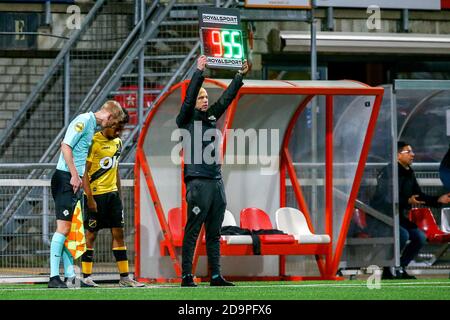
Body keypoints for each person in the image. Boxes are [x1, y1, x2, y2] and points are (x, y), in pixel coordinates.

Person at [176, 55, 249, 287]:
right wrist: (199, 73)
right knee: (193, 230)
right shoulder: (186, 118)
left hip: (216, 182)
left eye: (207, 97)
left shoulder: (210, 117)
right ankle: (187, 276)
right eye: (201, 97)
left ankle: (215, 275)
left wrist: (239, 77)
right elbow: (188, 99)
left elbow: (226, 99)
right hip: (198, 183)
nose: (206, 100)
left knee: (214, 232)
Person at [48, 101, 124, 288]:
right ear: (109, 116)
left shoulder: (90, 124)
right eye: (113, 123)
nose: (111, 127)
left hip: (73, 179)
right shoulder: (83, 120)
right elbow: (65, 146)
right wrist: (74, 174)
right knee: (63, 228)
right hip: (66, 177)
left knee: (69, 231)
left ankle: (71, 276)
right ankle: (53, 277)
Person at [80, 109, 144, 288]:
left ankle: (125, 277)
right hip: (95, 195)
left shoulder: (118, 142)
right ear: (109, 123)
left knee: (119, 233)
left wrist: (119, 193)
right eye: (117, 128)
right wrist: (90, 198)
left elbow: (115, 169)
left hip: (112, 195)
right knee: (91, 235)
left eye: (121, 129)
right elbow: (84, 172)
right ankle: (86, 277)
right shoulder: (93, 142)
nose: (118, 133)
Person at [370, 141, 450, 280]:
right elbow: (385, 198)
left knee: (419, 237)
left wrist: (438, 199)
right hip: (382, 217)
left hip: (398, 217)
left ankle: (400, 266)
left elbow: (418, 196)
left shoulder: (409, 172)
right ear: (397, 155)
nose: (413, 155)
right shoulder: (388, 172)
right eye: (409, 152)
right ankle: (389, 269)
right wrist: (407, 200)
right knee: (403, 235)